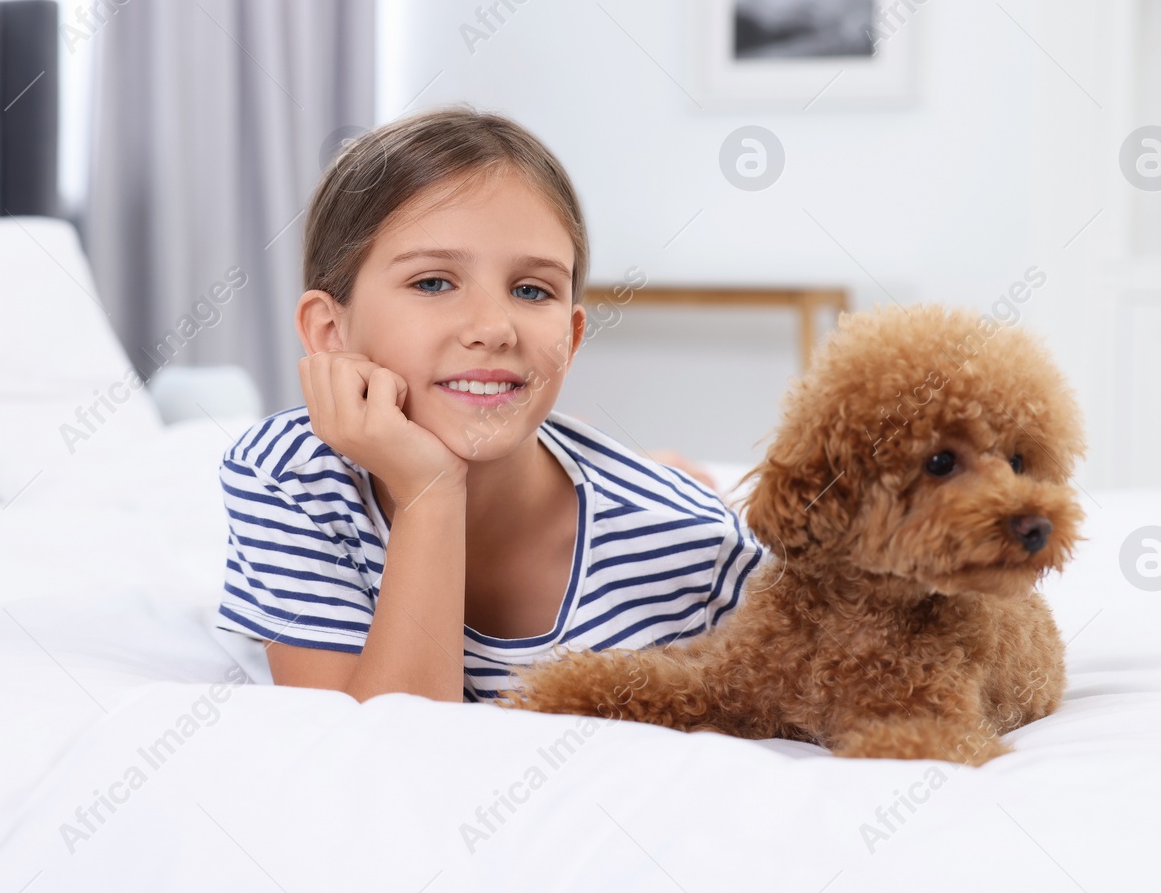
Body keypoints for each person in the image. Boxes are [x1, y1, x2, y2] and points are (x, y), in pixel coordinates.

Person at [214, 106, 767, 703]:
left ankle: (662, 466)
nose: (493, 328)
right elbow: (379, 760)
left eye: (532, 290)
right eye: (433, 282)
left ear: (573, 339)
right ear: (329, 330)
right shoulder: (289, 476)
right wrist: (431, 492)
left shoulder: (694, 552)